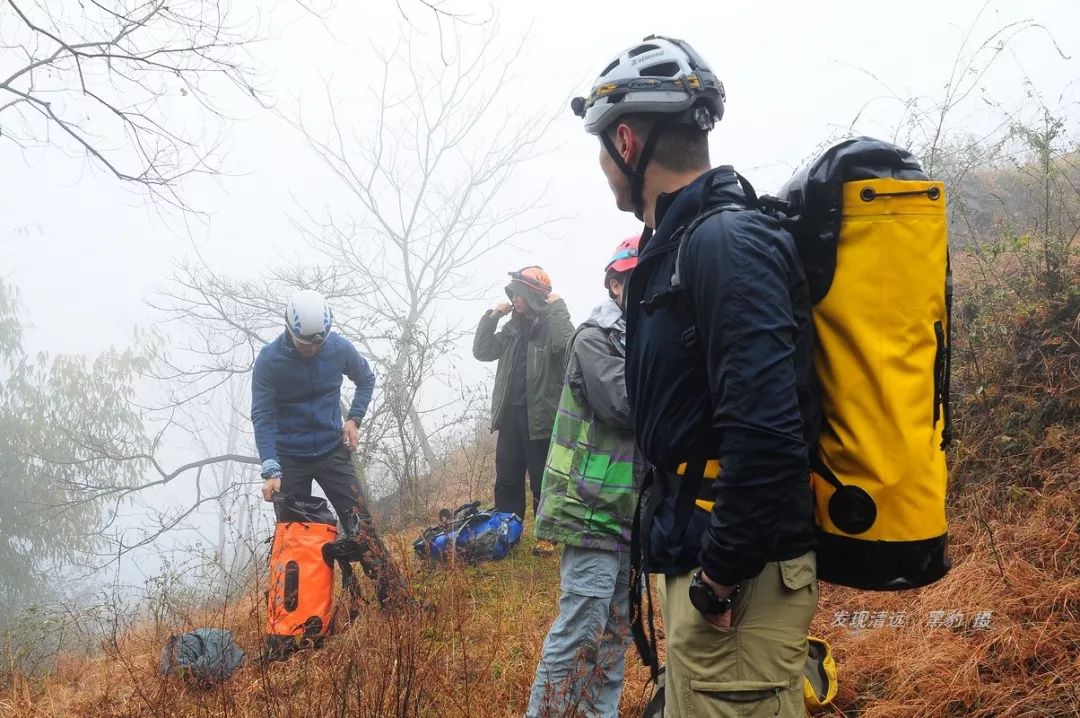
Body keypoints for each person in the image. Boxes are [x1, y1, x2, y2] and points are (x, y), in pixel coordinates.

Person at [571, 36, 819, 717]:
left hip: (736, 589)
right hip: (705, 567)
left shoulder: (723, 243)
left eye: (602, 149)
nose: (604, 167)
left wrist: (719, 576)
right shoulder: (678, 247)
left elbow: (767, 432)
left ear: (626, 141)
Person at [526, 237, 641, 718]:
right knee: (580, 631)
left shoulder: (642, 340)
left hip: (626, 514)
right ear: (614, 285)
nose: (644, 288)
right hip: (590, 509)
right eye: (633, 279)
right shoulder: (594, 339)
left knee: (614, 635)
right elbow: (624, 405)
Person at [252, 289, 408, 609]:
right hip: (290, 460)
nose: (312, 349)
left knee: (361, 526)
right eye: (305, 343)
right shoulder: (270, 361)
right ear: (289, 330)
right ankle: (297, 618)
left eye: (318, 343)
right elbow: (262, 415)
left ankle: (396, 602)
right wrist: (271, 468)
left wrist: (354, 419)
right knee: (295, 538)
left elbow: (365, 378)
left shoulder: (337, 347)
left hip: (332, 451)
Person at [473, 266, 574, 556]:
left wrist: (558, 308)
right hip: (510, 416)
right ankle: (506, 533)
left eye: (518, 294)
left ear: (532, 295)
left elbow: (567, 347)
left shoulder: (551, 326)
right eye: (512, 294)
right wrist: (492, 316)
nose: (514, 299)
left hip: (541, 417)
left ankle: (547, 535)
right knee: (507, 477)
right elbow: (482, 351)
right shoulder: (511, 329)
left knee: (544, 479)